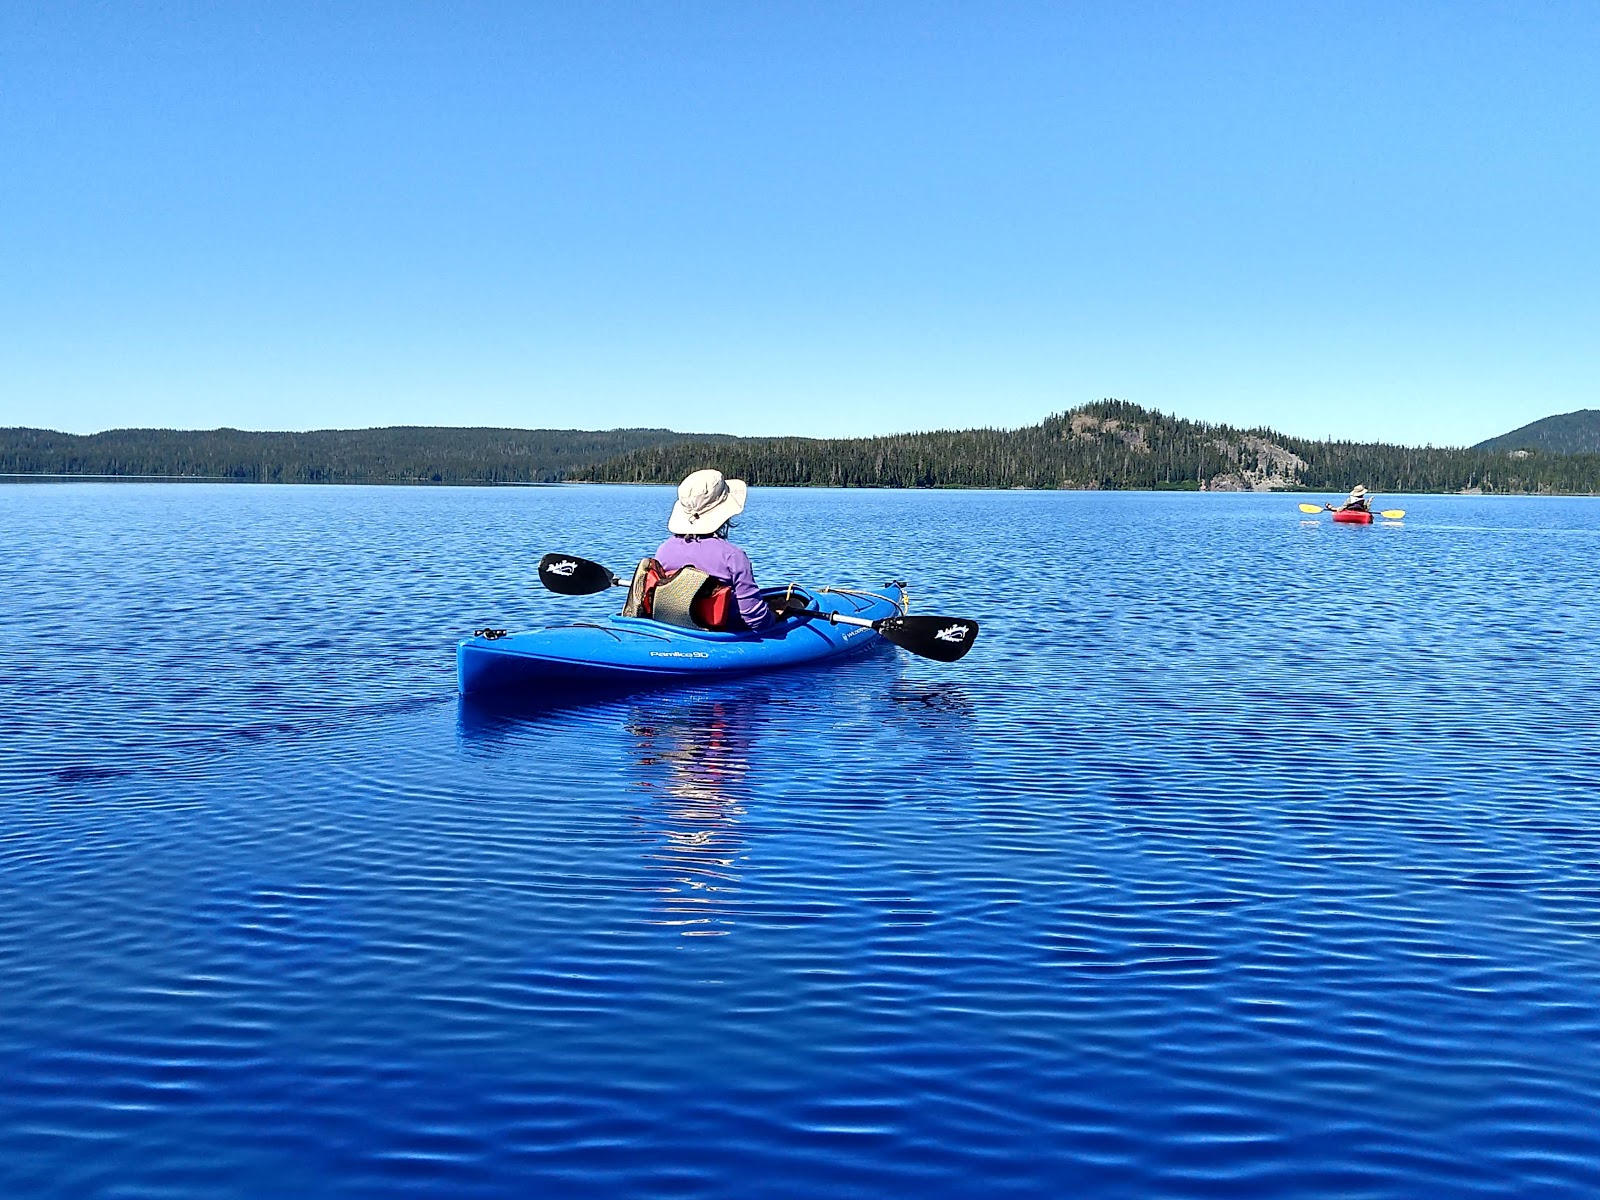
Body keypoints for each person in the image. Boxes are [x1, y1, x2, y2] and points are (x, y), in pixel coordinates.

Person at [651, 469, 777, 631]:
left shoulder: (664, 551)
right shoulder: (733, 556)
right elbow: (754, 618)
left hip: (678, 630)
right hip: (727, 634)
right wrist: (775, 614)